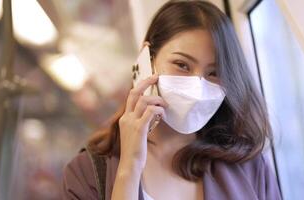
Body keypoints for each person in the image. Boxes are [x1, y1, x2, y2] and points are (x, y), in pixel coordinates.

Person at [62, 0, 282, 200]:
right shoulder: (86, 173)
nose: (196, 88)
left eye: (213, 73)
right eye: (182, 65)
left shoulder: (249, 167)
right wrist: (129, 168)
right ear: (146, 60)